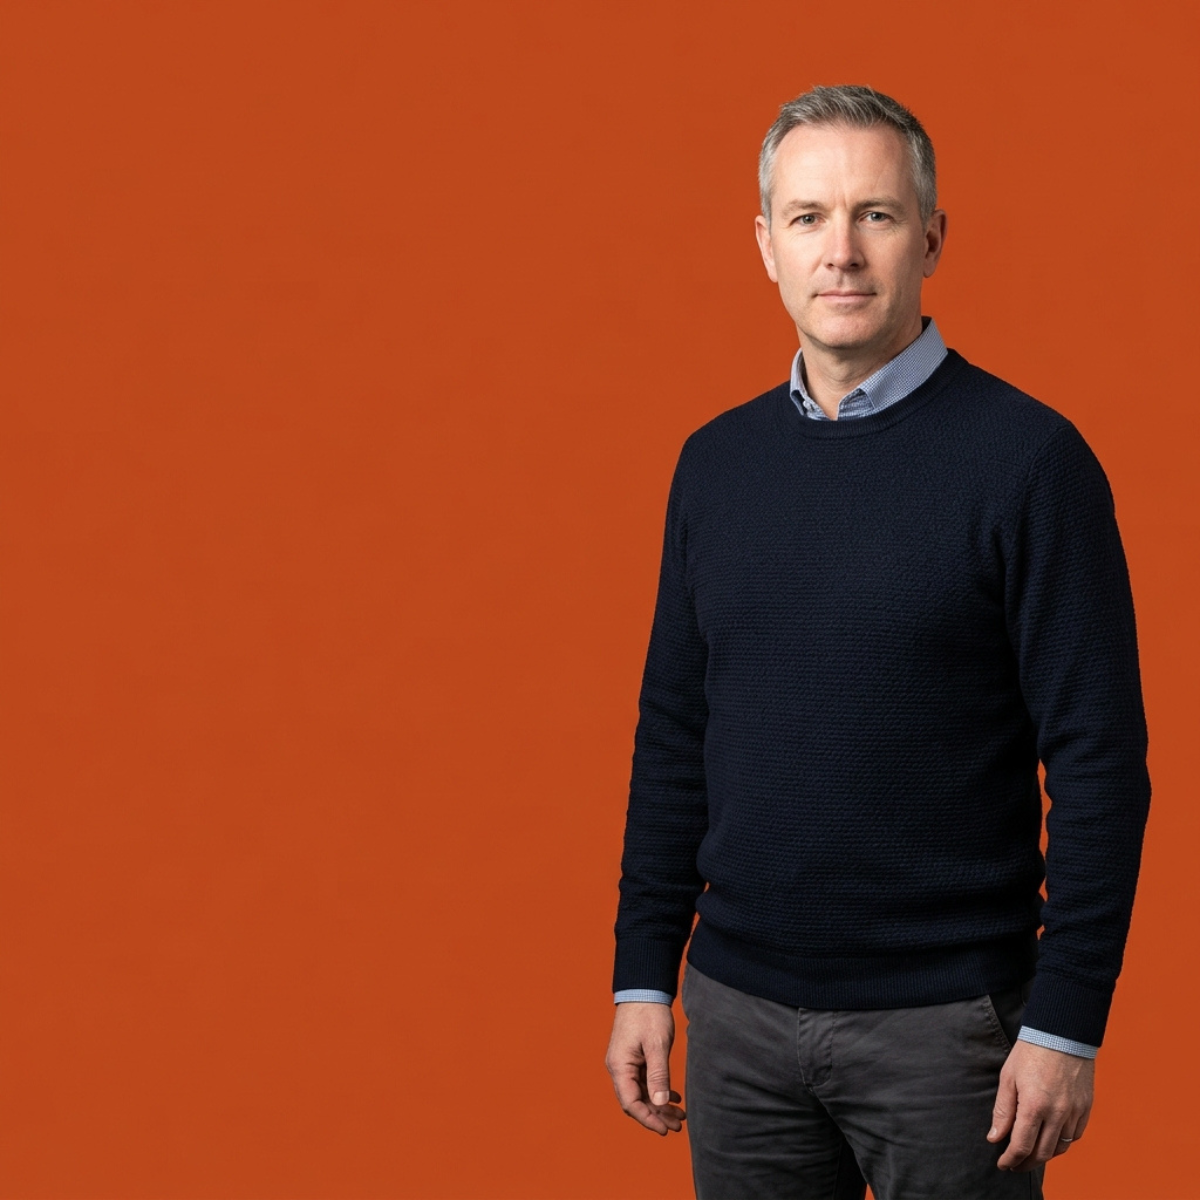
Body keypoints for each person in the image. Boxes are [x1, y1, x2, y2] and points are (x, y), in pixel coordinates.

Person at [604, 84, 1150, 1200]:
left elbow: (1100, 766)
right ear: (765, 246)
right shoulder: (714, 465)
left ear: (933, 238)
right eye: (808, 218)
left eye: (877, 216)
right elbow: (674, 731)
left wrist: (1069, 1024)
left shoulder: (1032, 463)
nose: (840, 251)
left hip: (950, 1037)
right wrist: (641, 977)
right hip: (739, 1022)